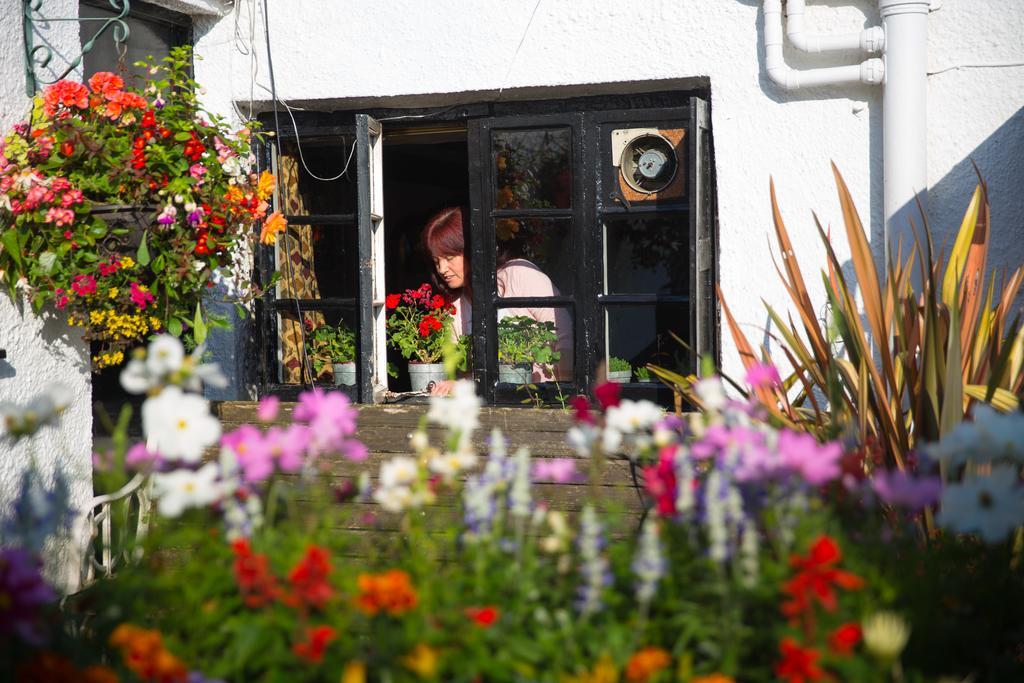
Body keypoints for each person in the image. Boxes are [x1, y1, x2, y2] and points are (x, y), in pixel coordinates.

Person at [421, 206, 573, 395]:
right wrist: (457, 385)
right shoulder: (455, 309)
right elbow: (467, 374)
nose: (442, 269)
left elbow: (565, 337)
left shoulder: (519, 275)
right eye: (436, 261)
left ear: (472, 250)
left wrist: (566, 396)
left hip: (543, 399)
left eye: (449, 257)